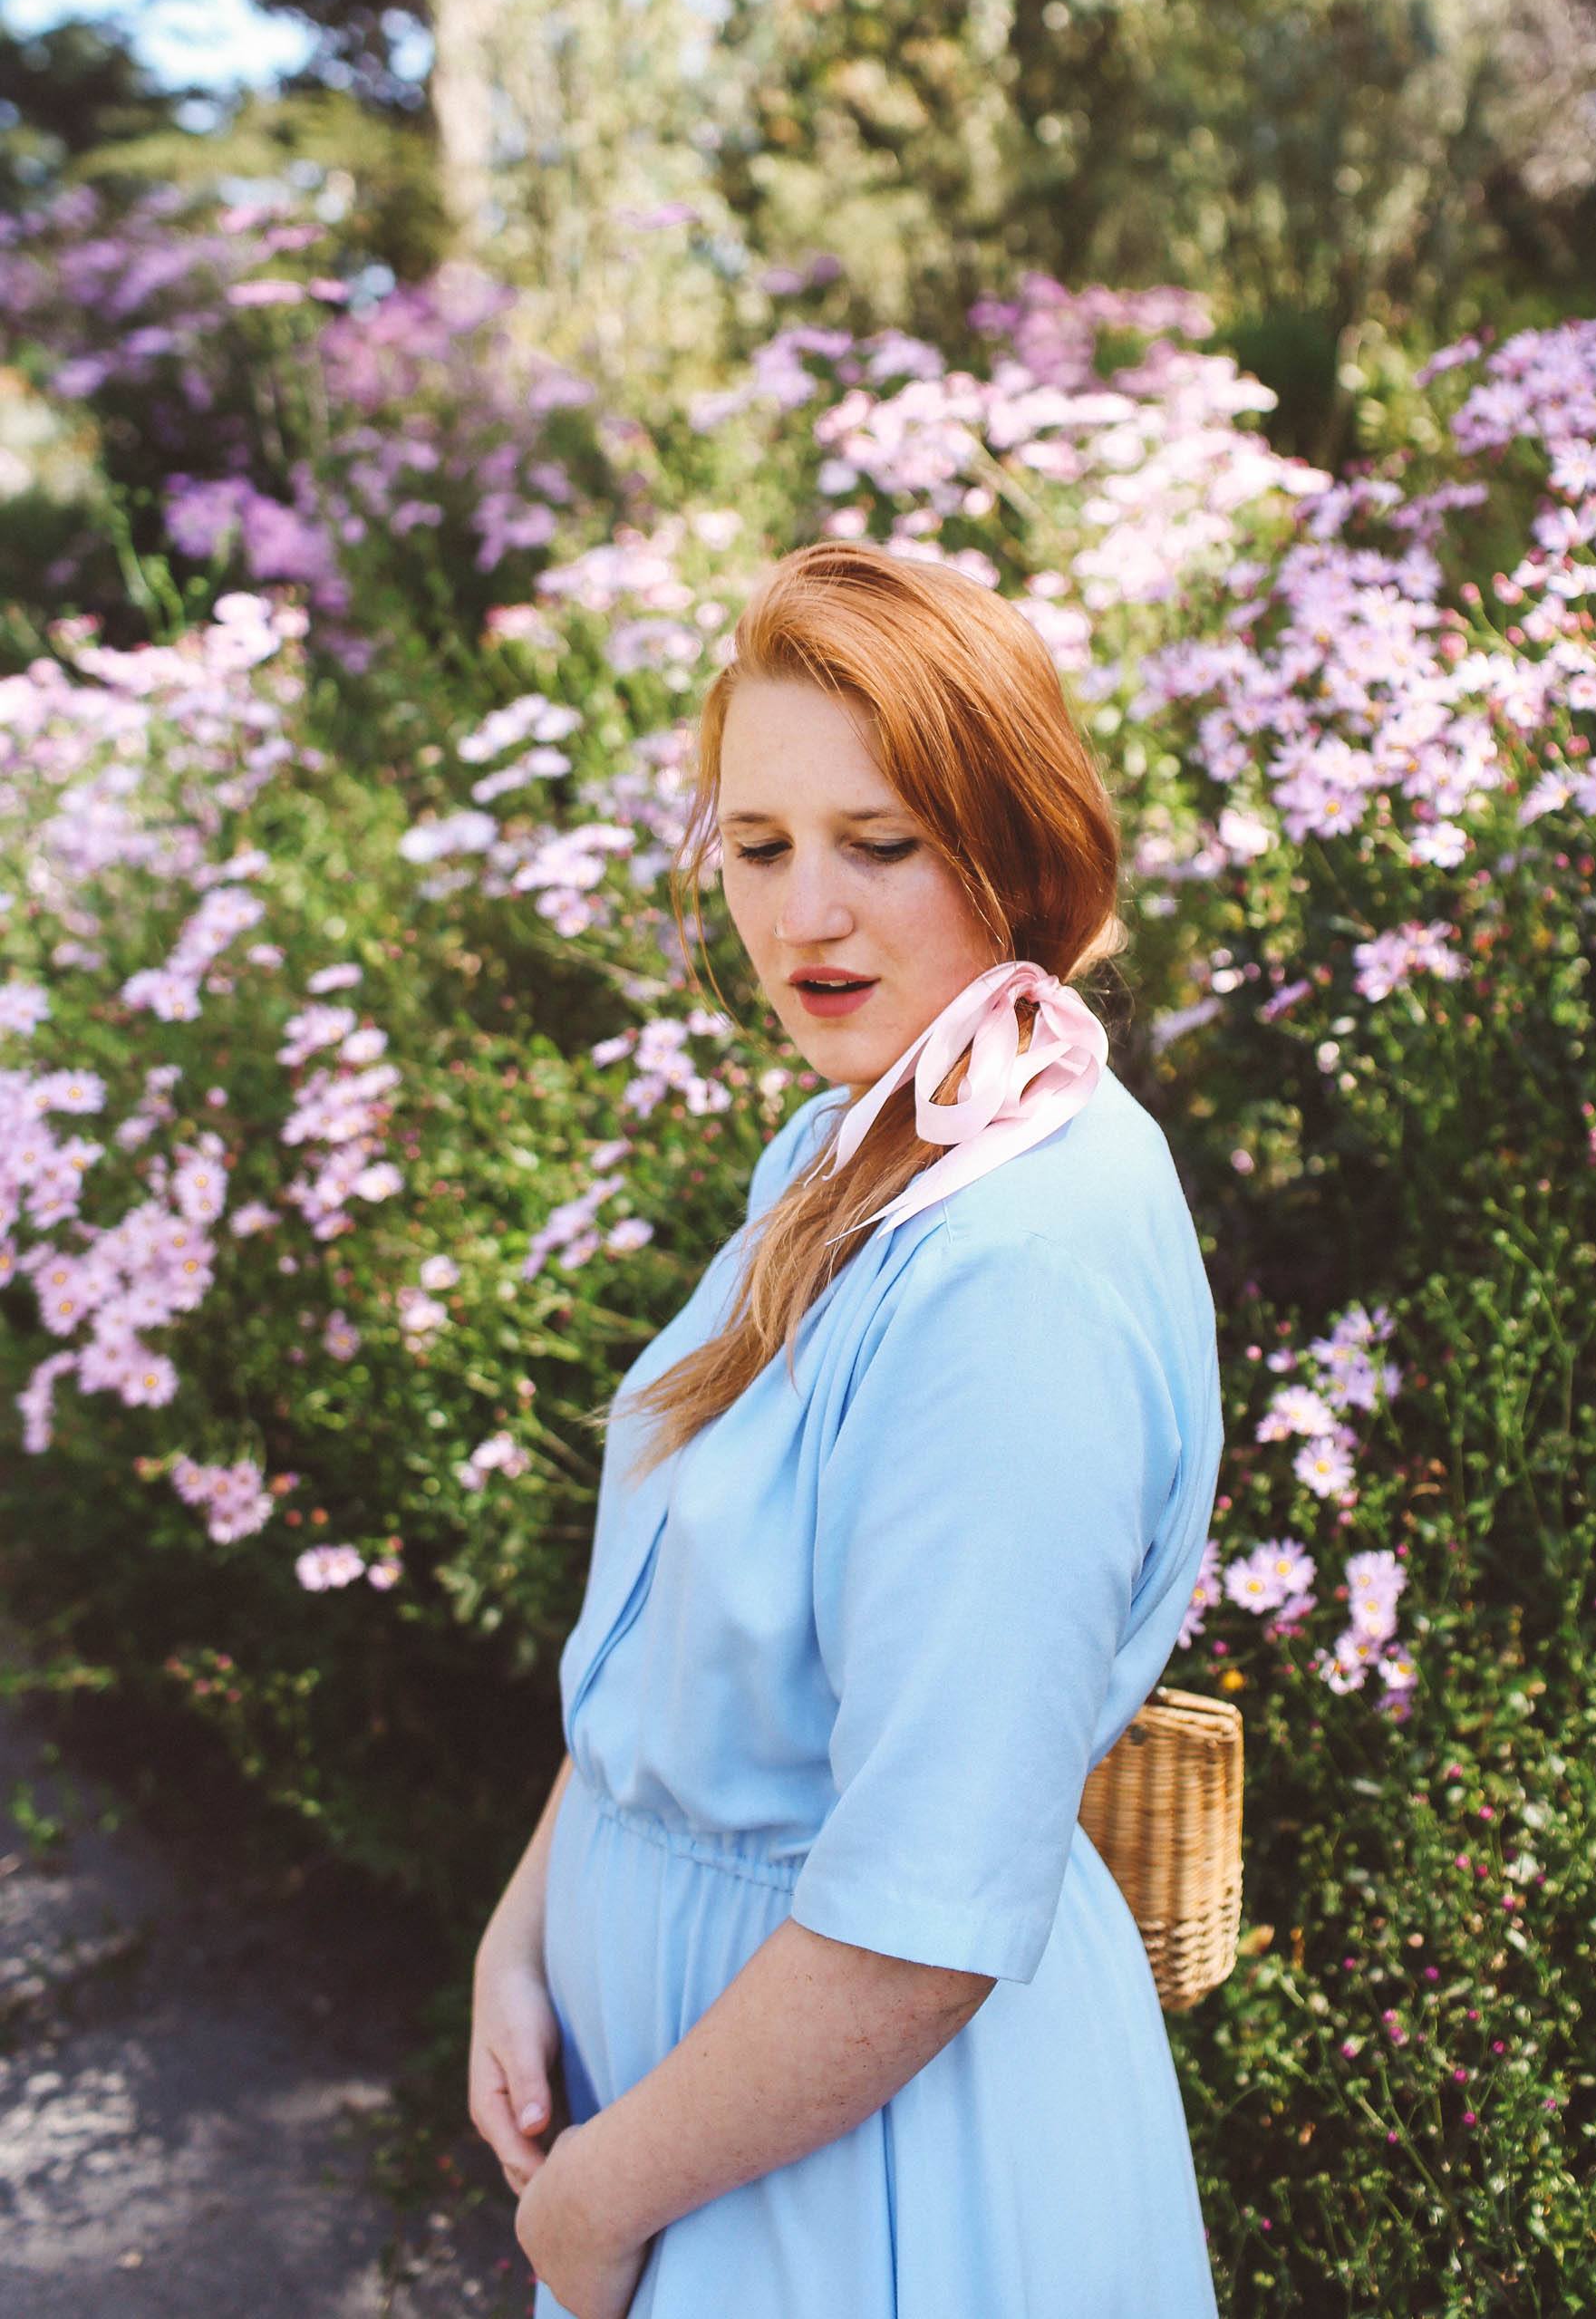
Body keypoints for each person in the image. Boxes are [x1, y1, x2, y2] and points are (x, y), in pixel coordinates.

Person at [468, 537, 1224, 2319]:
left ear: (1017, 844)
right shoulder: (851, 1140)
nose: (803, 914)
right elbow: (684, 1634)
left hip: (871, 2176)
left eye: (878, 845)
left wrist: (591, 2204)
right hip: (700, 2121)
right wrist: (526, 1928)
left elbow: (913, 1928)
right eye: (757, 845)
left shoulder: (1015, 1265)